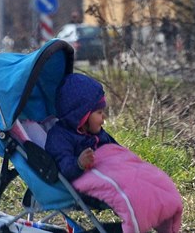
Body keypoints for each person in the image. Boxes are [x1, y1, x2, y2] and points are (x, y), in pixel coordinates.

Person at [44, 73, 182, 233]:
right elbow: (62, 166)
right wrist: (79, 164)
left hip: (111, 169)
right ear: (82, 114)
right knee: (134, 193)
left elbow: (116, 150)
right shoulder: (60, 136)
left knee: (156, 182)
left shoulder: (97, 132)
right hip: (86, 180)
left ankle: (163, 222)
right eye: (99, 113)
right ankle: (134, 226)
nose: (103, 119)